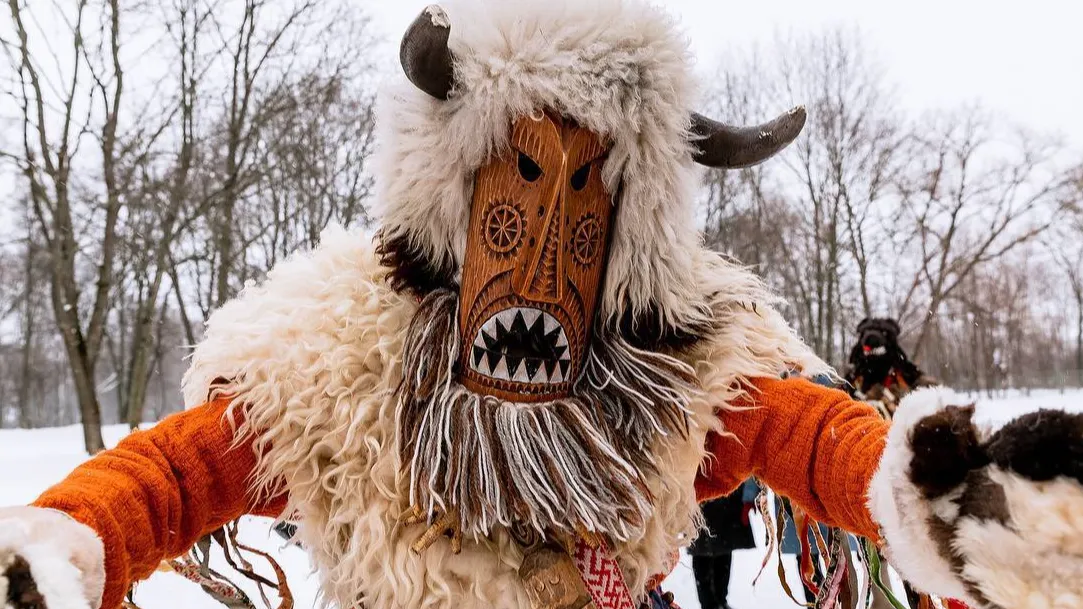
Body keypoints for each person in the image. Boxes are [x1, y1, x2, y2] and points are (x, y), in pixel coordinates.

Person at [1, 3, 1080, 609]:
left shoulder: (667, 369)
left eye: (592, 199)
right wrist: (66, 545)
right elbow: (183, 468)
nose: (548, 246)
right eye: (518, 184)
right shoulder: (340, 357)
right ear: (453, 189)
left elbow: (805, 432)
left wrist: (947, 503)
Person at [688, 481, 757, 609]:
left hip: (726, 492)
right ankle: (710, 603)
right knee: (702, 550)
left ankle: (720, 601)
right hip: (699, 492)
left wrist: (749, 496)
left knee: (724, 548)